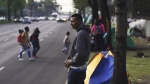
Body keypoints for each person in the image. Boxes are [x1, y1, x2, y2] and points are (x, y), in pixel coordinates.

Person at [64, 14, 91, 84]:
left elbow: (80, 52)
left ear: (79, 21)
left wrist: (70, 61)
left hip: (76, 69)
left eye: (73, 21)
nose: (71, 23)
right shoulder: (85, 32)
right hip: (81, 67)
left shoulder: (81, 34)